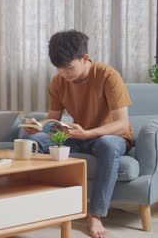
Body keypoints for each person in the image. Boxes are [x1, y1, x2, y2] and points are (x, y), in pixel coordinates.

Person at [23, 30, 132, 238]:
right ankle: (40, 204)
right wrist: (39, 126)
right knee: (32, 141)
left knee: (108, 145)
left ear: (85, 58)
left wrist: (89, 133)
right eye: (59, 69)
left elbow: (122, 124)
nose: (64, 73)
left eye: (69, 67)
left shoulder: (108, 76)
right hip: (78, 134)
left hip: (110, 137)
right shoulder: (58, 81)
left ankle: (95, 215)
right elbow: (53, 118)